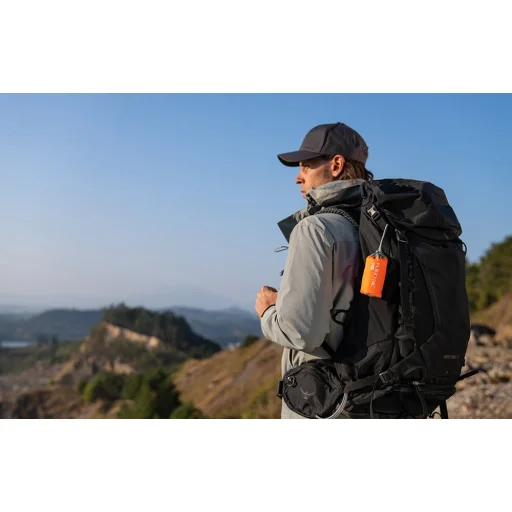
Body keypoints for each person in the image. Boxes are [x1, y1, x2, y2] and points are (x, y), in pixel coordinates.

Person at [255, 122, 373, 419]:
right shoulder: (376, 225)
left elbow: (300, 333)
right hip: (378, 393)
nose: (298, 177)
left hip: (329, 402)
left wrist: (269, 310)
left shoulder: (315, 229)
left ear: (336, 165)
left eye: (306, 166)